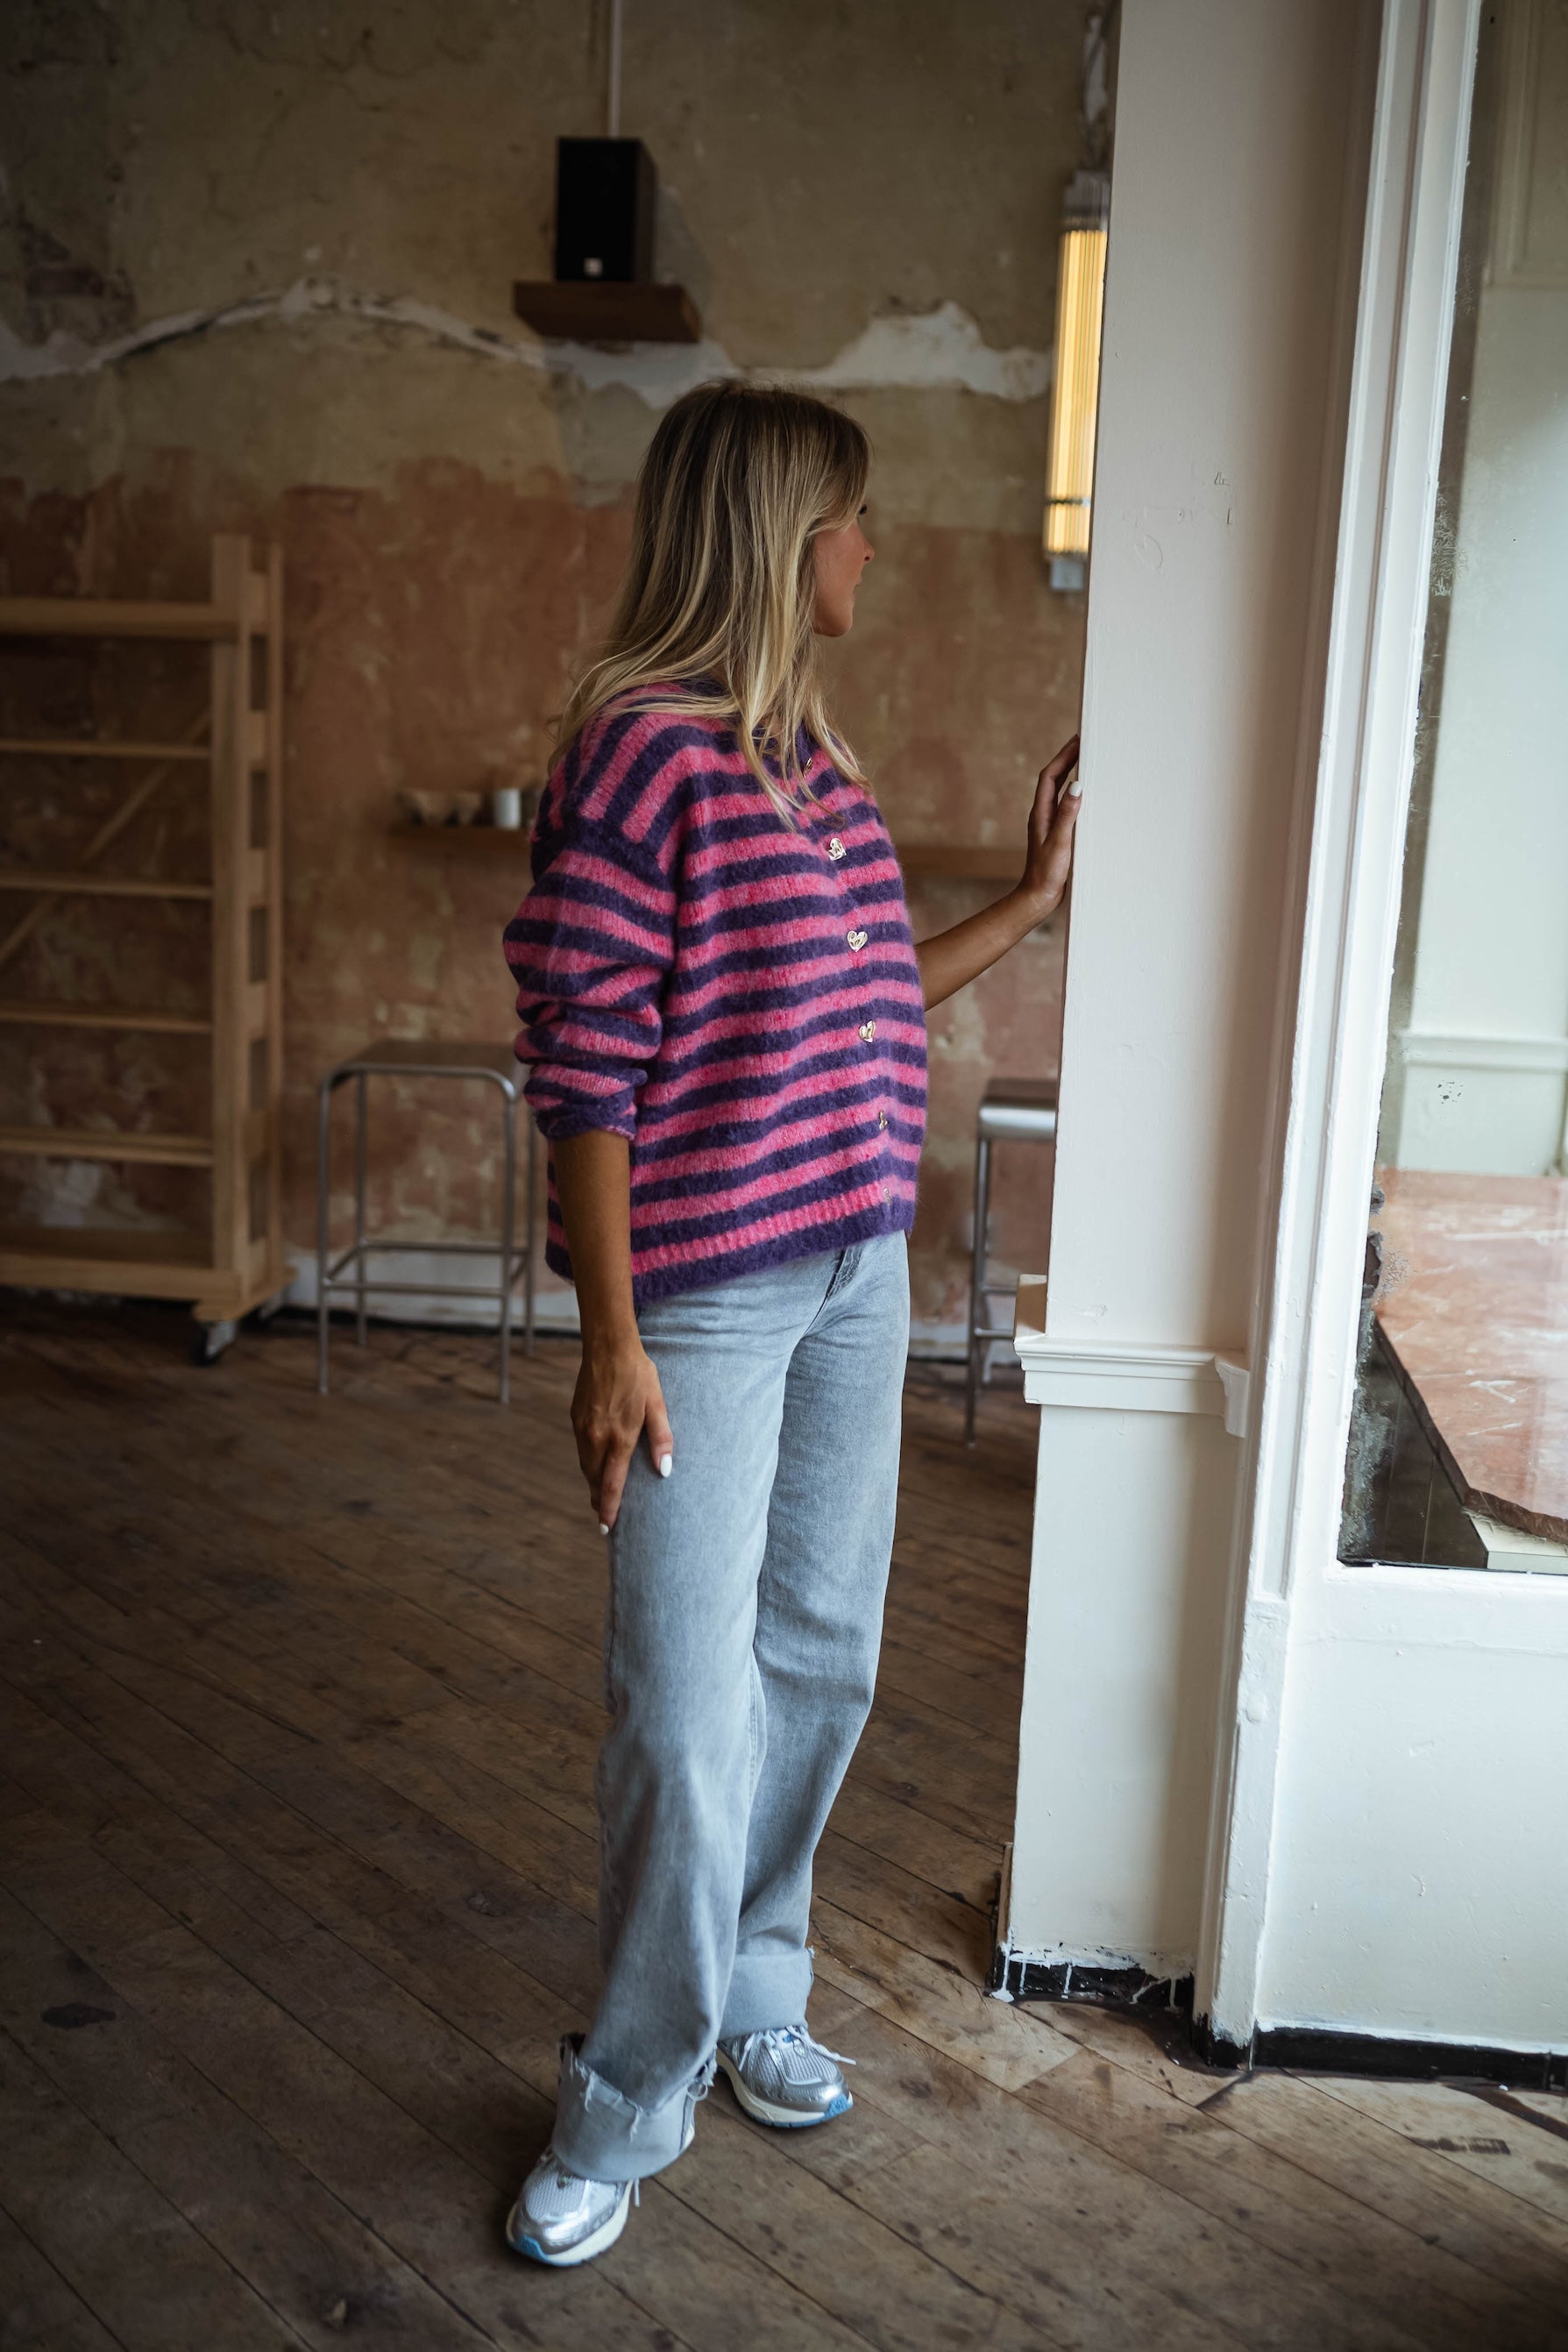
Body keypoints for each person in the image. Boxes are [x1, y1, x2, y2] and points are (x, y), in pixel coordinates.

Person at [500, 380, 1080, 2266]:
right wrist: (610, 1334)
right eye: (850, 518)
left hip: (855, 1274)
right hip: (707, 1295)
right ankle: (626, 2093)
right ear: (777, 539)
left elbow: (870, 1000)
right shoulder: (636, 761)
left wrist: (1032, 902)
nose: (871, 548)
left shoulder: (814, 771)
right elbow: (584, 1061)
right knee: (684, 1707)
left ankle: (756, 1986)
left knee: (818, 1658)